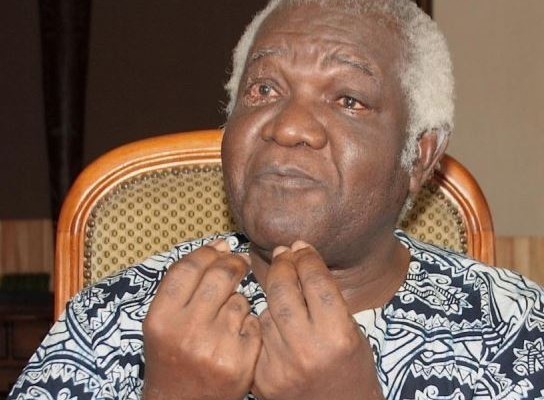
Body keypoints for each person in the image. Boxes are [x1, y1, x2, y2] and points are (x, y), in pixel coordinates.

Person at [9, 0, 544, 399]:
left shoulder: (518, 331)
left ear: (419, 156)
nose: (288, 127)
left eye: (348, 99)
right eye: (264, 90)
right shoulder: (114, 317)